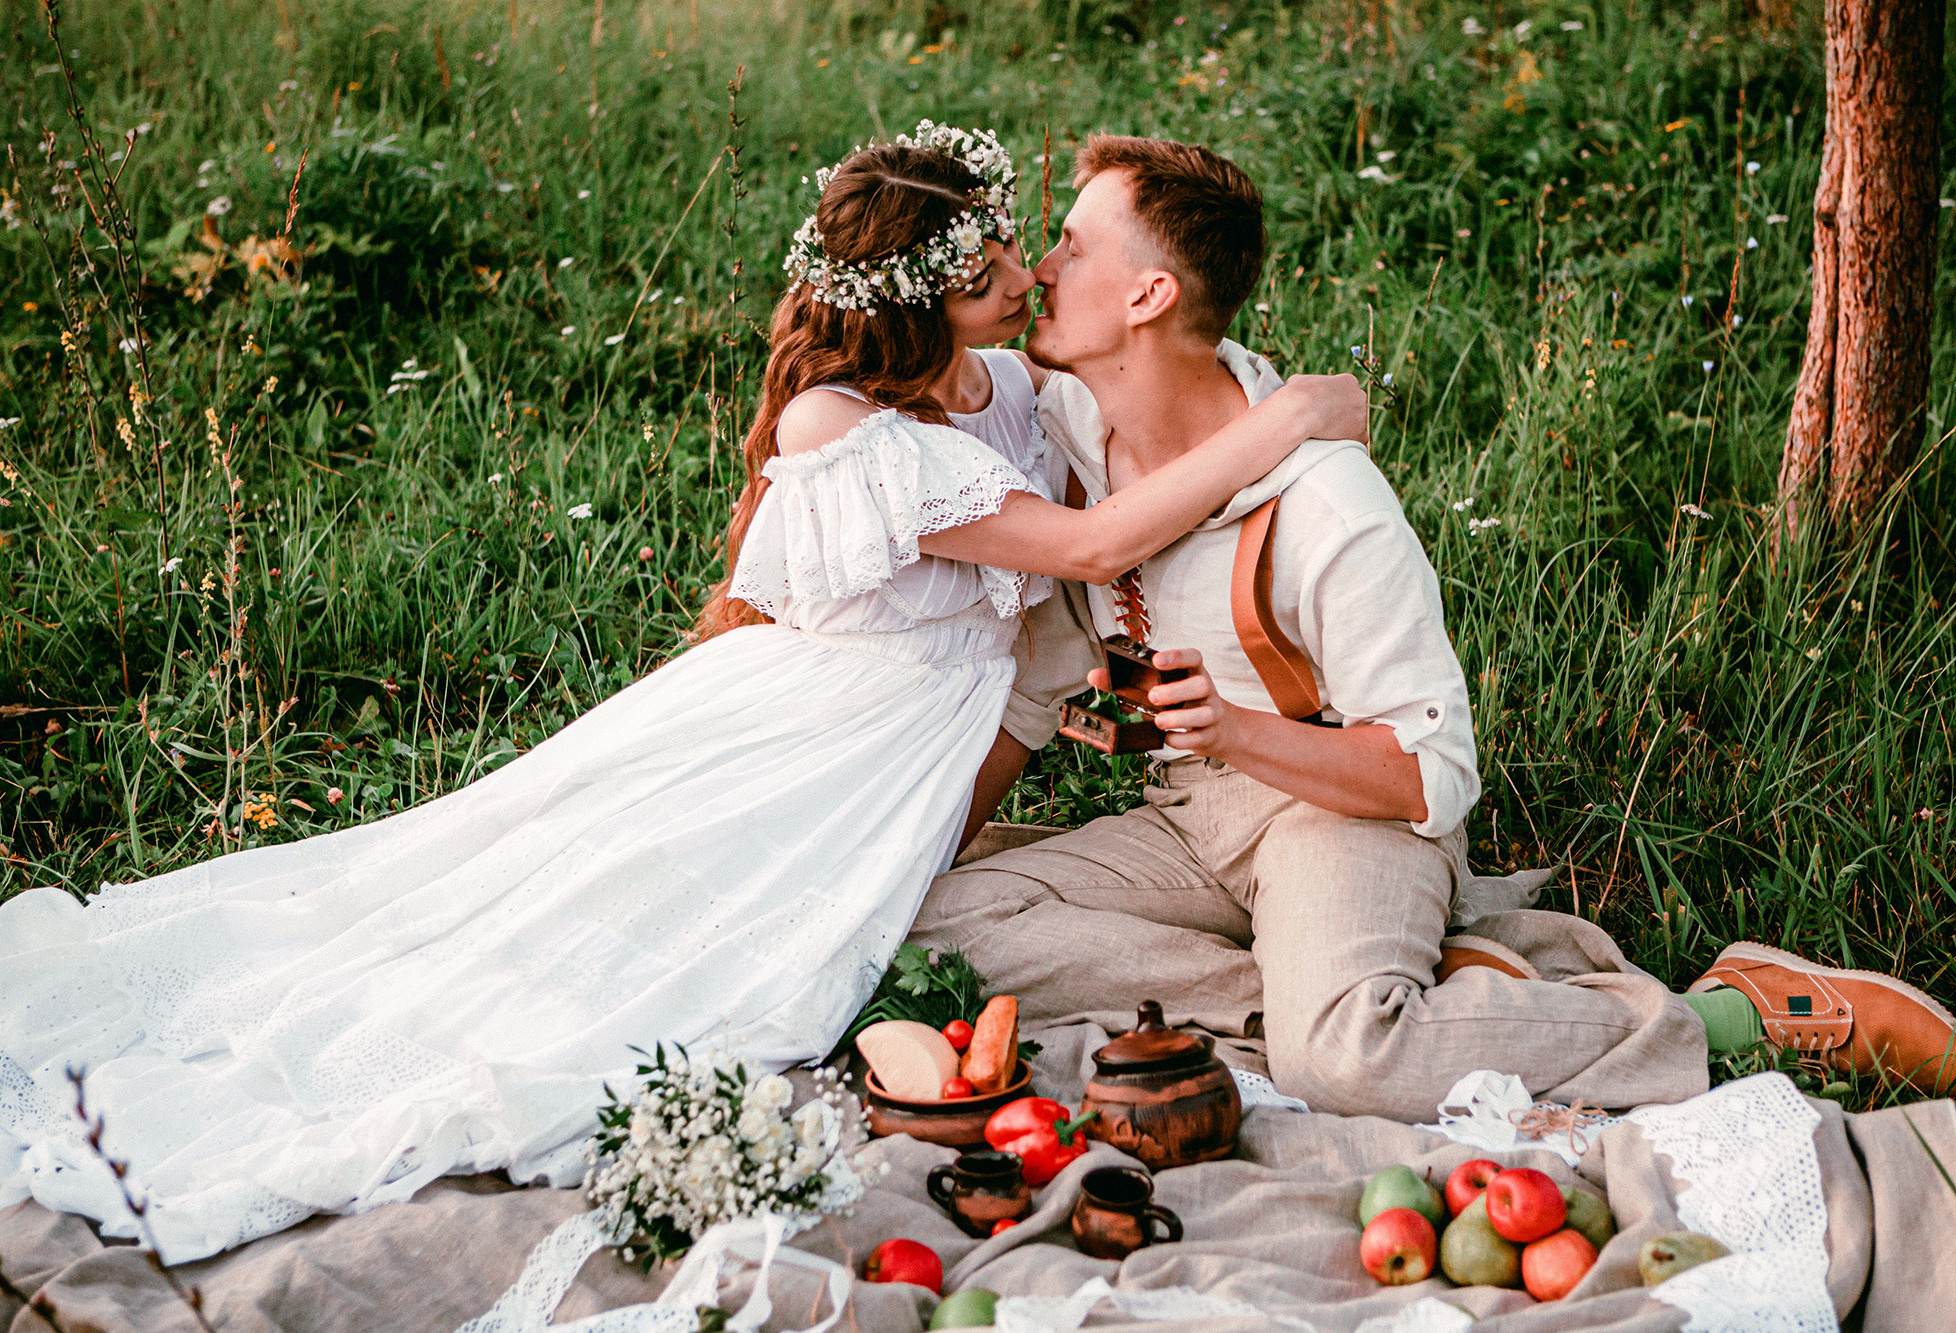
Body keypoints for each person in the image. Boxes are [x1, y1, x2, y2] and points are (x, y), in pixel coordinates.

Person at [0, 124, 1366, 1263]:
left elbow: (1071, 548)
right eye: (993, 257)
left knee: (752, 955)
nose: (1025, 268)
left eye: (1020, 240)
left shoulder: (1011, 388)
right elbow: (1084, 548)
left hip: (898, 762)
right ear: (922, 293)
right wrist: (1283, 420)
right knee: (596, 962)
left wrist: (1237, 399)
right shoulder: (853, 429)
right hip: (803, 740)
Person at [911, 134, 1956, 1122]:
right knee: (929, 928)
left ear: (1148, 294)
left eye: (1067, 244)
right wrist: (919, 855)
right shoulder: (1059, 428)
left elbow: (1431, 778)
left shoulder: (1327, 504)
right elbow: (1032, 676)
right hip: (1190, 818)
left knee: (1340, 1061)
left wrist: (1234, 731)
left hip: (1335, 813)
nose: (1039, 269)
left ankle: (1735, 1013)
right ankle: (1406, 995)